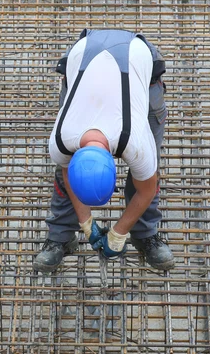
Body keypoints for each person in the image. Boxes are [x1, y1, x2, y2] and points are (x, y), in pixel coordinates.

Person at [33, 29, 175, 272]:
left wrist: (119, 232)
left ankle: (144, 234)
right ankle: (61, 236)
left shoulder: (135, 142)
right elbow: (69, 176)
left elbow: (147, 188)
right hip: (83, 59)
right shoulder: (61, 140)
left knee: (145, 172)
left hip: (137, 60)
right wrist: (86, 223)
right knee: (61, 175)